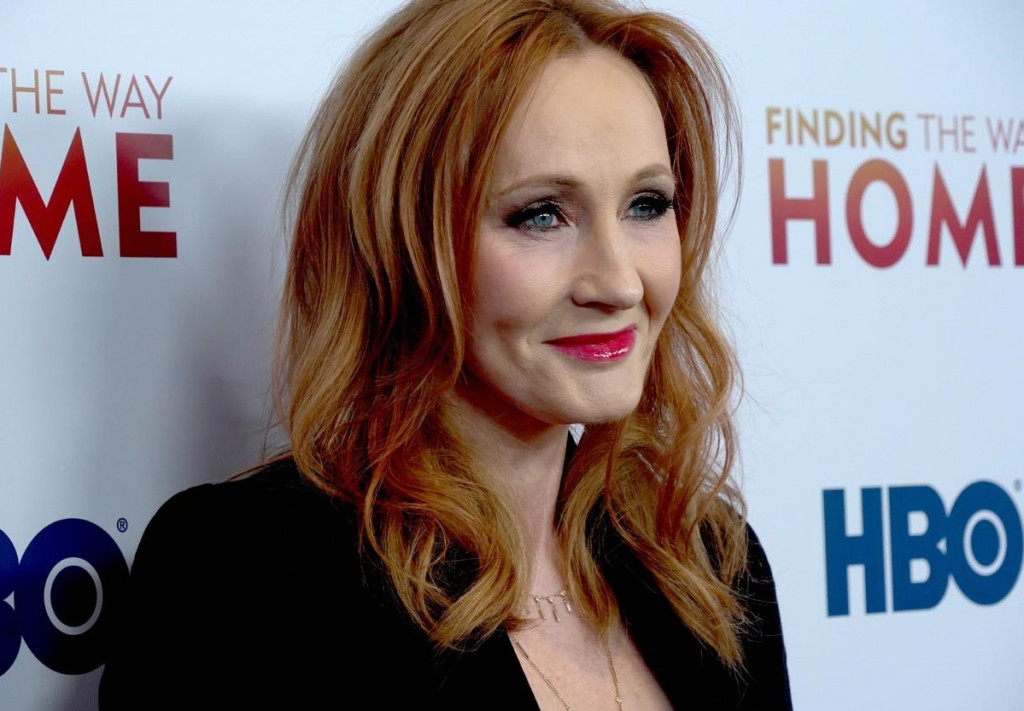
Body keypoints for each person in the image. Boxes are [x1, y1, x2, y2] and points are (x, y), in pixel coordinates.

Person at [100, 0, 792, 708]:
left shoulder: (709, 562)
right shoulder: (244, 572)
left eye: (646, 204)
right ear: (400, 243)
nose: (619, 283)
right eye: (542, 215)